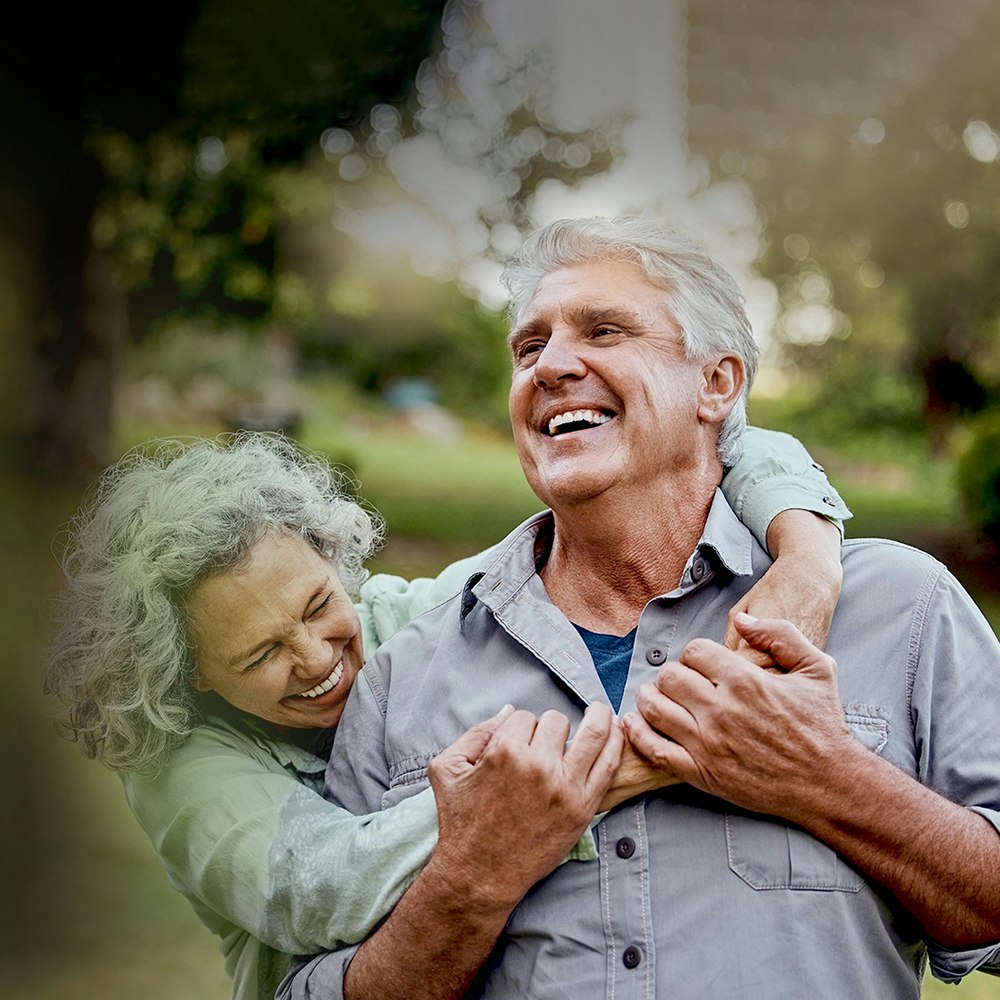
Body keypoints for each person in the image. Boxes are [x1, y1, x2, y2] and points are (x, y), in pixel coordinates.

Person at [283, 217, 1000, 1000]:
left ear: (716, 384)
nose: (551, 365)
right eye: (529, 348)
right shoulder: (406, 673)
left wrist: (824, 778)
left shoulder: (903, 607)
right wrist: (472, 881)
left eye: (604, 330)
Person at [45, 428, 847, 1000]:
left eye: (320, 605)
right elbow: (320, 888)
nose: (317, 658)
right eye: (260, 655)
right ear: (191, 675)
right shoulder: (177, 765)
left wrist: (807, 559)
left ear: (333, 556)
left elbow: (721, 435)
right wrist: (643, 758)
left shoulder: (418, 620)